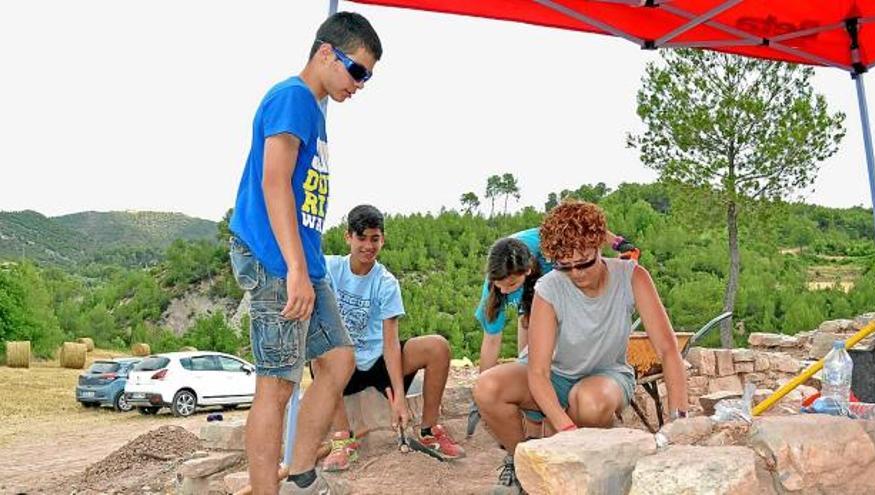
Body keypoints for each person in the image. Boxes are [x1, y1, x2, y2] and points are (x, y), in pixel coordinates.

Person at [227, 12, 381, 495]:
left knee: (338, 362)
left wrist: (306, 265)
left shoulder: (314, 109)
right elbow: (274, 183)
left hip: (303, 261)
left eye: (368, 76)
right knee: (276, 385)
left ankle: (299, 476)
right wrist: (293, 267)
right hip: (277, 259)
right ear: (324, 53)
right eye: (357, 70)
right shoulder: (292, 97)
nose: (361, 83)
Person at [473, 201, 687, 494]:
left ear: (599, 246)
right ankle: (526, 465)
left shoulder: (632, 277)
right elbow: (538, 371)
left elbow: (667, 350)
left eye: (584, 263)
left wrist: (679, 421)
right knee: (487, 387)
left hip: (605, 374)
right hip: (554, 375)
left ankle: (583, 474)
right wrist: (567, 432)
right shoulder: (549, 287)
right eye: (565, 265)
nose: (576, 273)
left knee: (590, 401)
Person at [314, 205, 466, 472]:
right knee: (319, 354)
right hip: (342, 363)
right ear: (348, 237)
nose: (368, 246)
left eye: (375, 239)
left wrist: (398, 396)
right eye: (361, 238)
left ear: (382, 239)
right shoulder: (328, 268)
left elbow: (390, 342)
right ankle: (342, 439)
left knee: (438, 347)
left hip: (378, 361)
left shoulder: (386, 282)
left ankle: (429, 430)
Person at [467, 227, 637, 436]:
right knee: (530, 346)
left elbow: (582, 227)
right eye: (499, 285)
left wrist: (618, 243)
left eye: (510, 284)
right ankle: (529, 442)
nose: (504, 290)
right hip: (532, 299)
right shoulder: (497, 285)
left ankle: (565, 420)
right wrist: (482, 400)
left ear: (527, 270)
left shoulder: (548, 249)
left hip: (561, 300)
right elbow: (492, 340)